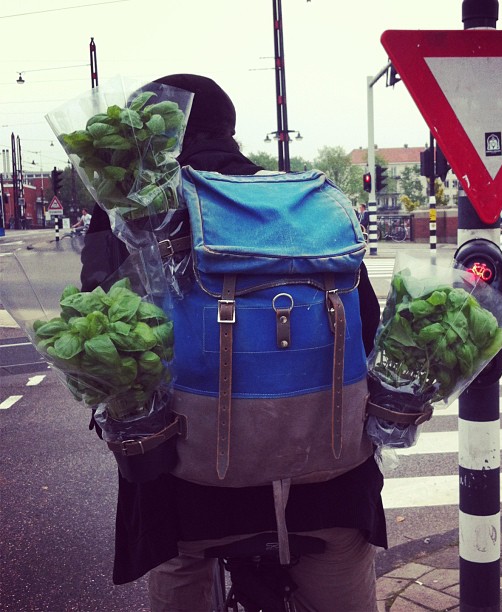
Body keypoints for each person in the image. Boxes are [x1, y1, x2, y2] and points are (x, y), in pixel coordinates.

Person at [81, 74, 386, 612]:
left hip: (190, 496)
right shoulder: (310, 204)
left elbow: (99, 348)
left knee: (179, 561)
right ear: (231, 130)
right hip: (332, 488)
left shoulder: (133, 212)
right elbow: (368, 326)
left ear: (147, 139)